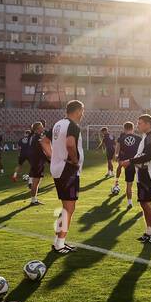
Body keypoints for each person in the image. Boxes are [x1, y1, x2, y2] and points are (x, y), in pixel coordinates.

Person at [49, 100, 85, 254]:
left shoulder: (58, 124)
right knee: (69, 208)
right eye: (82, 110)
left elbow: (43, 141)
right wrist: (75, 161)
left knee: (65, 208)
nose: (83, 114)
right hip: (67, 170)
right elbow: (70, 144)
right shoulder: (73, 125)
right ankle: (60, 244)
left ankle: (58, 240)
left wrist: (54, 156)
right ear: (77, 111)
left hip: (58, 168)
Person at [130, 113, 151, 244]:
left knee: (147, 204)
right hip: (145, 172)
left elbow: (148, 155)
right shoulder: (150, 135)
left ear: (148, 124)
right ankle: (149, 231)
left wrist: (130, 161)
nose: (138, 125)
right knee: (144, 203)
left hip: (147, 173)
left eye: (140, 123)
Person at [114, 120, 139, 208]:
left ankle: (129, 203)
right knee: (142, 184)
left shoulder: (121, 138)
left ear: (124, 129)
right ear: (133, 128)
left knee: (129, 184)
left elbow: (117, 150)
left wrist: (117, 157)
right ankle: (144, 203)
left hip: (127, 163)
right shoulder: (139, 138)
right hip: (138, 163)